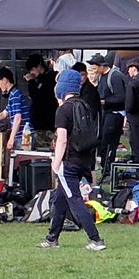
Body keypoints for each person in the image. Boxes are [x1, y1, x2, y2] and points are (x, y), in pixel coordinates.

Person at [40, 68, 107, 252]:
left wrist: (56, 163)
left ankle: (96, 239)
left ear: (61, 88)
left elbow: (62, 140)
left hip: (68, 162)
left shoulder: (63, 110)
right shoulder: (84, 105)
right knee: (60, 199)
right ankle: (52, 238)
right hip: (84, 160)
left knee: (74, 200)